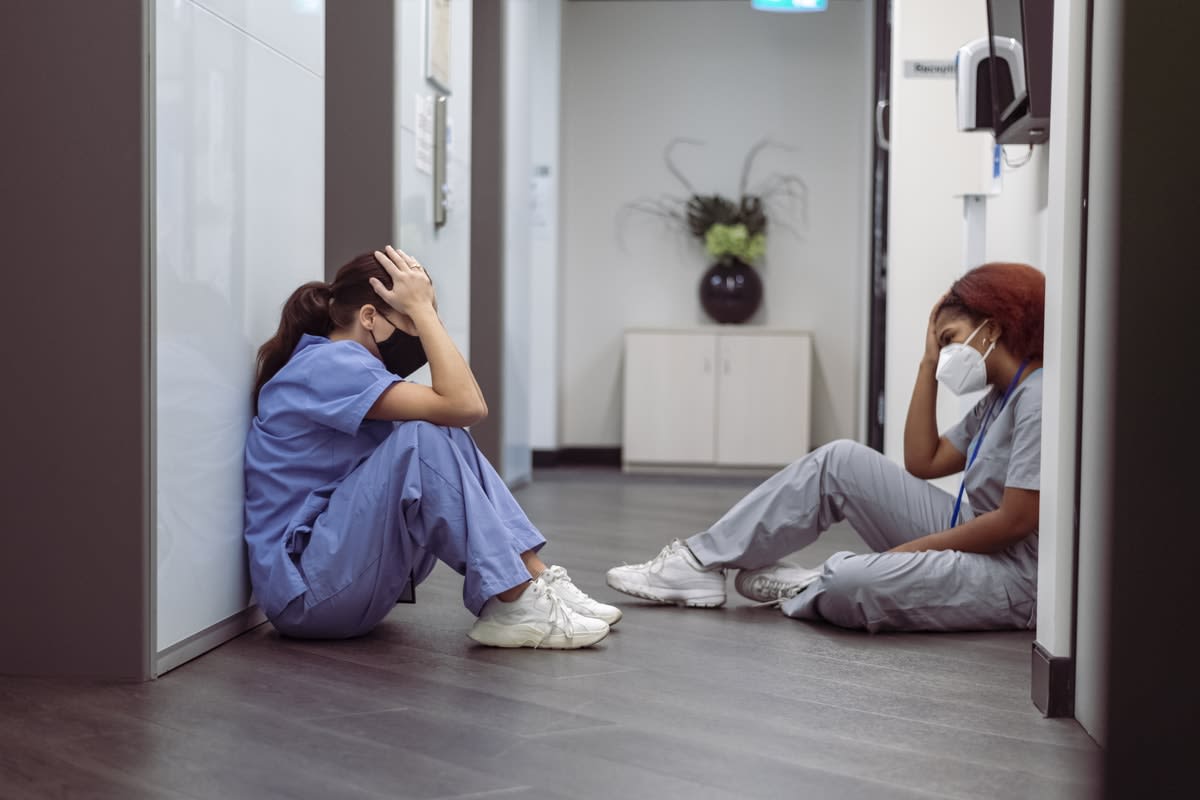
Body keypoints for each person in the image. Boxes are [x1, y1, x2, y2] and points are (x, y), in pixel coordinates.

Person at [606, 262, 1045, 632]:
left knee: (852, 580)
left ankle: (809, 583)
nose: (947, 353)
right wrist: (928, 363)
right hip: (979, 537)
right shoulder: (998, 399)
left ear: (992, 327)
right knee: (839, 459)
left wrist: (910, 552)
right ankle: (698, 561)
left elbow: (1015, 521)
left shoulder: (1037, 396)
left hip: (1016, 574)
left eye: (949, 339)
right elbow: (923, 460)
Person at [244, 246, 619, 649]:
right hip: (307, 594)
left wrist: (422, 312)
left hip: (340, 582)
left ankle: (534, 579)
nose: (424, 331)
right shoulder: (328, 364)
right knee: (422, 435)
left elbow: (466, 408)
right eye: (414, 316)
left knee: (440, 430)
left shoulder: (356, 369)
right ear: (370, 316)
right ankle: (513, 599)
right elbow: (467, 405)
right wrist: (425, 314)